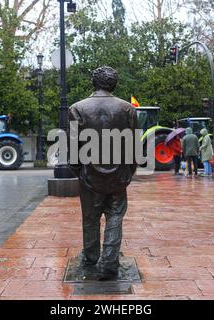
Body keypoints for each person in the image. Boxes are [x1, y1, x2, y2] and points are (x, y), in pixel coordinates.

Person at [68, 66, 138, 280]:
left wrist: (81, 172)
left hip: (90, 176)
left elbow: (72, 149)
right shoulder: (127, 109)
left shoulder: (77, 108)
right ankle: (109, 261)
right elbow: (135, 149)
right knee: (115, 217)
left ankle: (91, 257)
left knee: (90, 218)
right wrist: (127, 173)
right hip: (119, 176)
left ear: (94, 82)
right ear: (114, 84)